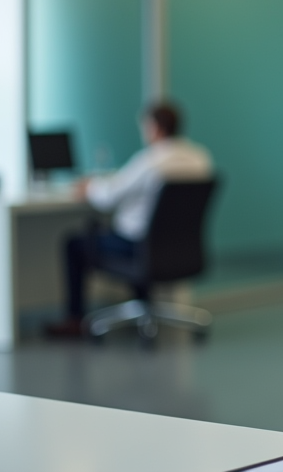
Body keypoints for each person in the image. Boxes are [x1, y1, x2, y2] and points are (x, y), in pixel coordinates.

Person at [45, 101, 213, 338]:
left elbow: (108, 196)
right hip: (181, 249)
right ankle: (142, 309)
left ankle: (74, 320)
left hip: (138, 246)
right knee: (137, 233)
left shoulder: (151, 160)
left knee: (74, 244)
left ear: (154, 127)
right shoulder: (201, 158)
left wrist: (89, 187)